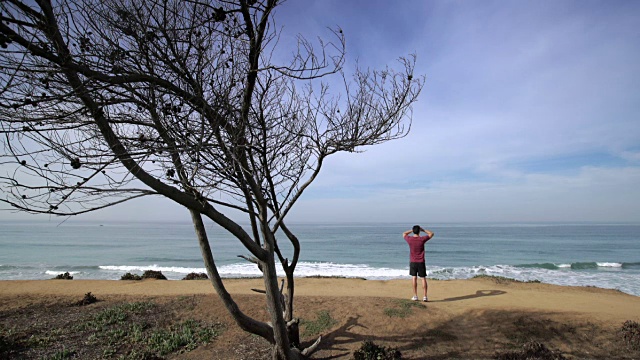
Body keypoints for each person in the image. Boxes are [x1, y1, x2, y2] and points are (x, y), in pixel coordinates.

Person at [403, 225, 435, 302]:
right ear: (419, 231)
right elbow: (431, 233)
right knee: (423, 278)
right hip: (421, 262)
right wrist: (423, 230)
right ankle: (425, 296)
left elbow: (404, 233)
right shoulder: (422, 239)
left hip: (413, 261)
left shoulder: (410, 239)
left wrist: (412, 230)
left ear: (413, 231)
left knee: (414, 278)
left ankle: (415, 296)